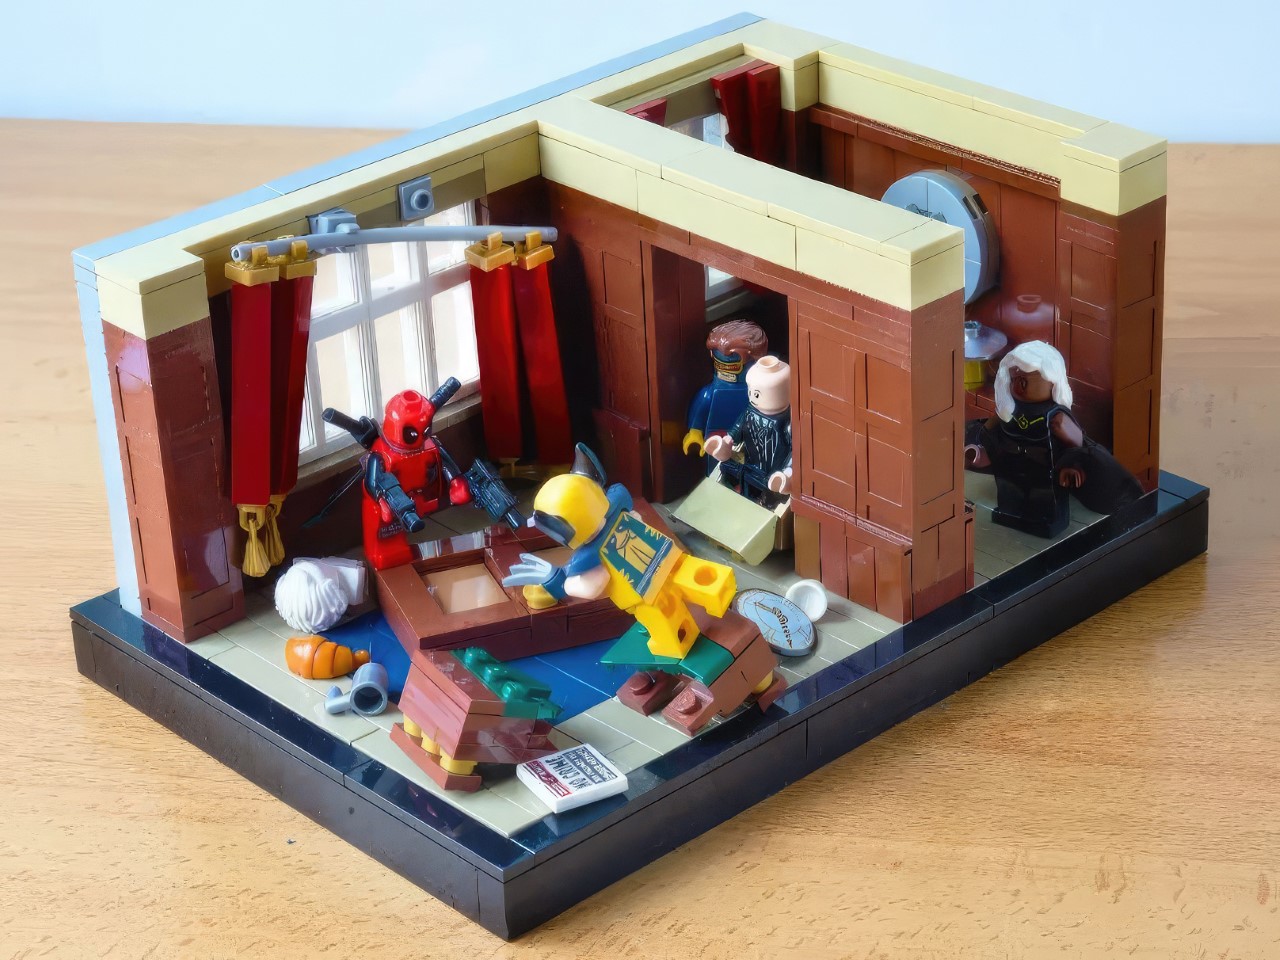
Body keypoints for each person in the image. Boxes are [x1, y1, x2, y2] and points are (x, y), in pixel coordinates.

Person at [965, 341, 1141, 537]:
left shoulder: (1057, 419)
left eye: (1029, 380)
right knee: (1010, 494)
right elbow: (987, 433)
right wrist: (981, 450)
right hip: (1010, 468)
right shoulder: (1008, 413)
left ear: (1052, 381)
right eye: (1016, 379)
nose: (1021, 386)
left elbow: (1080, 447)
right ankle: (1010, 513)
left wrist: (1072, 466)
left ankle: (1044, 522)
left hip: (1044, 470)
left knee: (1042, 499)